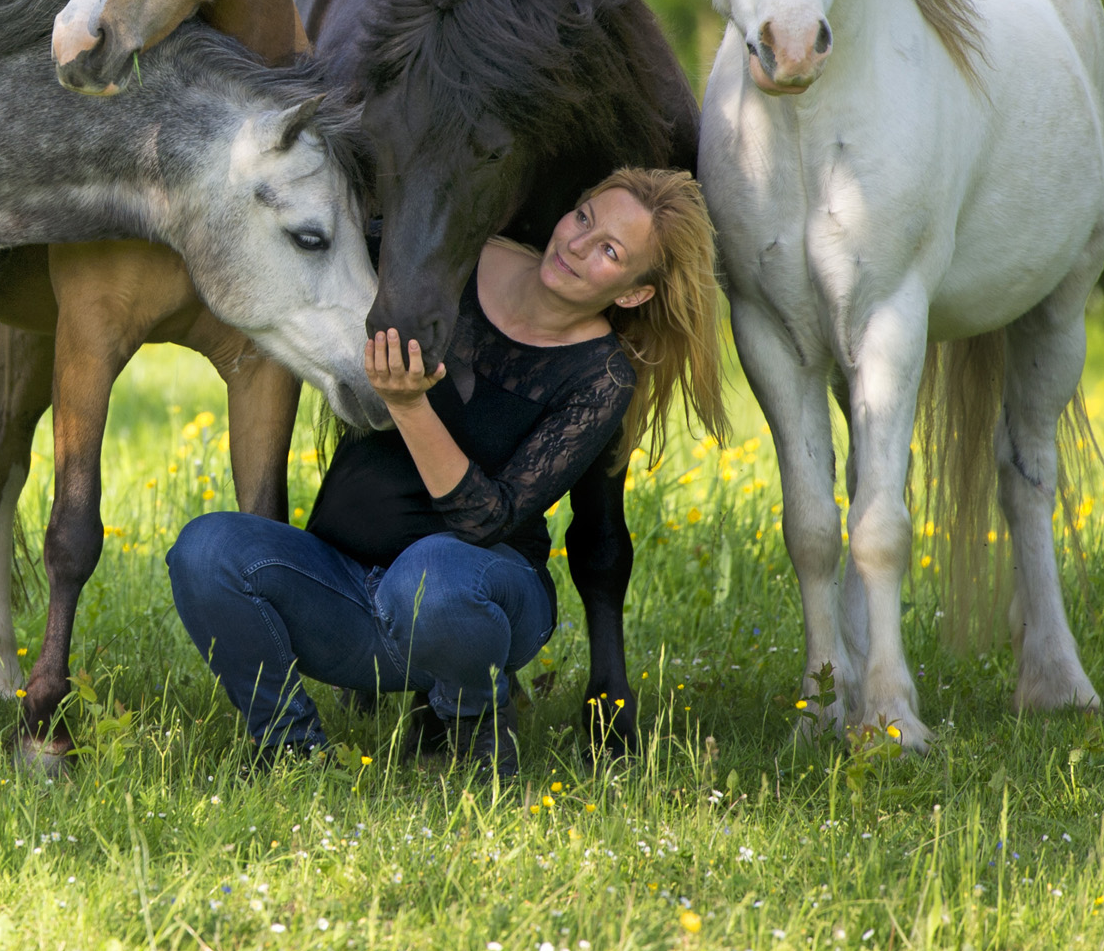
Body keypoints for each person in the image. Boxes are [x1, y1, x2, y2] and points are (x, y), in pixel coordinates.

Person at [165, 166, 723, 777]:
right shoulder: (453, 260)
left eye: (610, 251)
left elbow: (487, 520)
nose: (576, 244)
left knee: (429, 575)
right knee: (206, 548)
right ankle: (291, 751)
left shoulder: (600, 376)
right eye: (583, 218)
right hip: (345, 596)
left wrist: (407, 406)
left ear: (633, 293)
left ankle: (475, 723)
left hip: (475, 606)